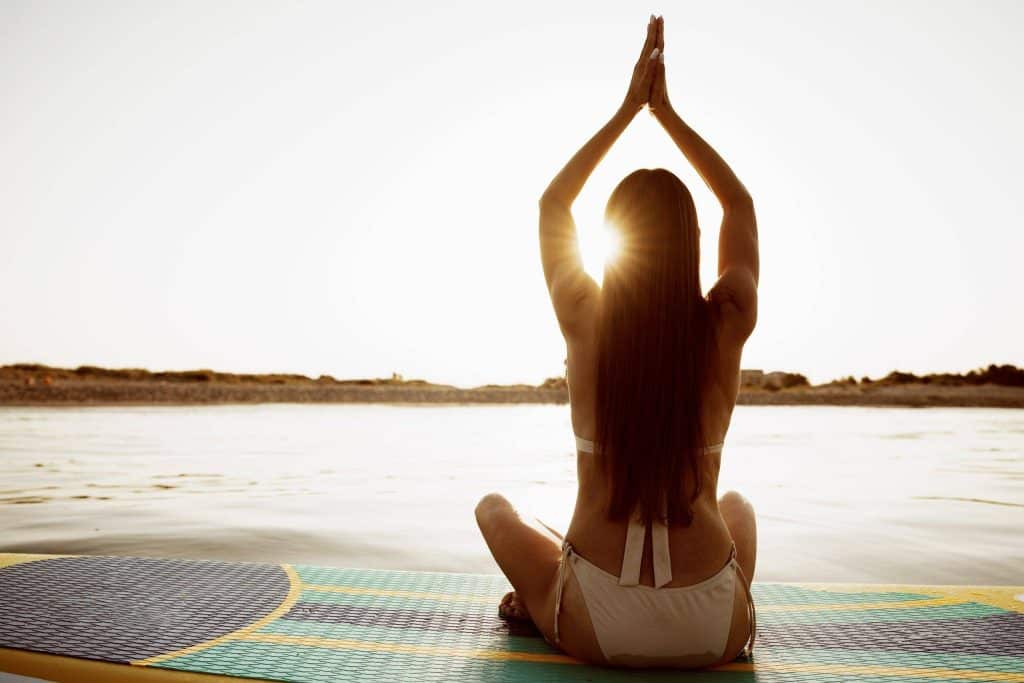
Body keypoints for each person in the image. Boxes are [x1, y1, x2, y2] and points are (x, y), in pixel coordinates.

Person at [474, 15, 759, 668]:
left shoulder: (583, 314)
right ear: (690, 246)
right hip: (717, 626)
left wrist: (629, 108)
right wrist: (669, 114)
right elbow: (738, 205)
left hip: (598, 624)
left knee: (495, 508)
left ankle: (544, 601)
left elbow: (552, 205)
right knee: (737, 507)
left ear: (617, 242)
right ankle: (556, 596)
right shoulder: (727, 319)